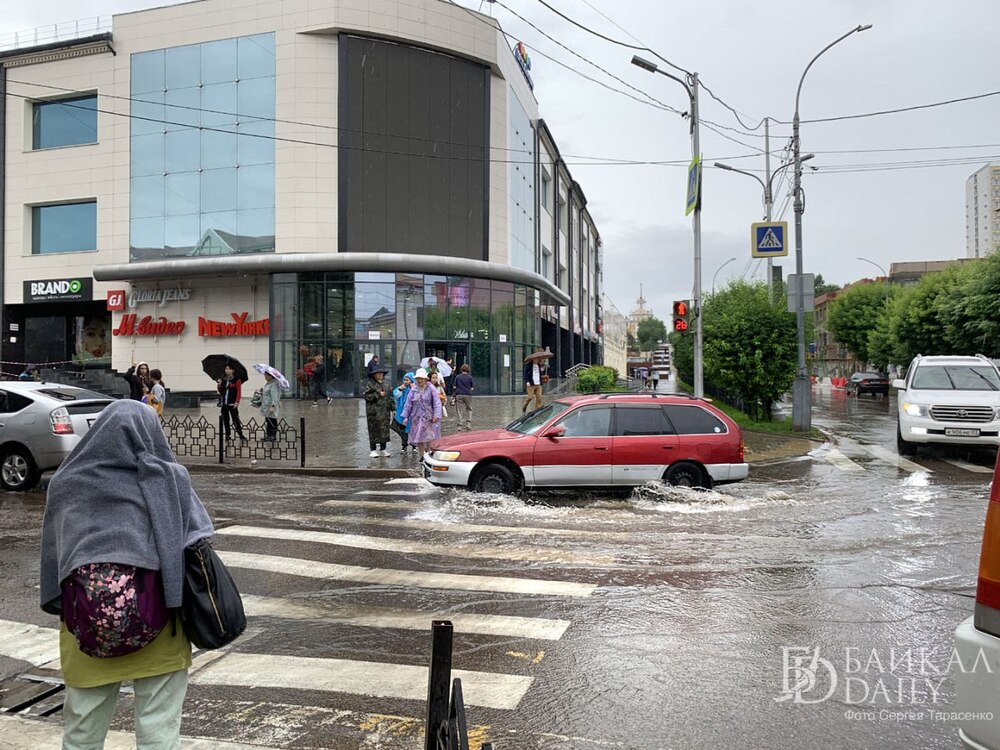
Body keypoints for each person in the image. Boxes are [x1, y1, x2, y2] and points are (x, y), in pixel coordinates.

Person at [39, 399, 214, 750]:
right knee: (159, 735)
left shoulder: (66, 482)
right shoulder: (168, 478)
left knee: (81, 737)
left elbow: (53, 560)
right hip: (162, 624)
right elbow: (197, 539)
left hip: (87, 630)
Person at [401, 368, 442, 460]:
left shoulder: (431, 388)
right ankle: (421, 456)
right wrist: (406, 416)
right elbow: (408, 404)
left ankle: (429, 454)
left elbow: (437, 403)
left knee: (429, 436)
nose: (419, 380)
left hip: (429, 417)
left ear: (425, 379)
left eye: (421, 378)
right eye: (418, 379)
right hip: (416, 416)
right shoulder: (413, 389)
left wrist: (436, 415)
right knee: (419, 436)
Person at [363, 364, 393, 458]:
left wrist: (393, 409)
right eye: (378, 373)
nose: (380, 375)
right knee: (374, 430)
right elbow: (366, 396)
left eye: (381, 373)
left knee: (384, 430)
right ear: (374, 375)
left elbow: (391, 397)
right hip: (373, 413)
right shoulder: (370, 384)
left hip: (385, 412)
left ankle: (383, 449)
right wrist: (378, 394)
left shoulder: (387, 384)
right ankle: (373, 450)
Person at [217, 364, 246, 442]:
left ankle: (240, 434)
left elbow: (239, 392)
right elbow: (221, 391)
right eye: (226, 369)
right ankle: (227, 435)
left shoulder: (237, 380)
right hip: (224, 404)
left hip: (233, 404)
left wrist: (237, 402)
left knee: (235, 420)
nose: (227, 370)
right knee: (226, 420)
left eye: (229, 369)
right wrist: (219, 385)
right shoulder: (223, 379)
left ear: (233, 370)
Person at [392, 372, 415, 454]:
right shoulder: (401, 388)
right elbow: (395, 396)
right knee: (403, 430)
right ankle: (404, 446)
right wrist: (400, 389)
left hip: (412, 413)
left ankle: (414, 446)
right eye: (404, 380)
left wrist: (414, 389)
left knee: (413, 430)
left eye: (407, 380)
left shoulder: (415, 388)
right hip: (402, 412)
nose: (405, 382)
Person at [522, 347, 547, 413]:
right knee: (530, 397)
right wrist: (527, 381)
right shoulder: (528, 365)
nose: (536, 360)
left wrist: (543, 370)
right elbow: (525, 373)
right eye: (535, 359)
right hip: (531, 383)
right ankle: (525, 405)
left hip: (538, 383)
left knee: (539, 397)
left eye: (537, 359)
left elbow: (540, 373)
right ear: (533, 359)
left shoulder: (539, 365)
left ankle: (537, 409)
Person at [260, 371, 281, 442]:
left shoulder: (274, 384)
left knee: (272, 420)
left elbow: (274, 397)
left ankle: (273, 435)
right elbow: (267, 393)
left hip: (271, 406)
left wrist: (272, 406)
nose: (265, 376)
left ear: (270, 376)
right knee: (268, 420)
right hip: (266, 406)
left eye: (266, 375)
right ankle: (268, 435)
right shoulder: (269, 383)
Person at [452, 363, 475, 431]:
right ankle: (468, 424)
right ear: (468, 370)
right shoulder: (470, 377)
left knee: (459, 410)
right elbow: (472, 388)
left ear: (461, 369)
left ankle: (460, 425)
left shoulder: (458, 377)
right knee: (469, 409)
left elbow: (454, 386)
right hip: (467, 394)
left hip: (459, 394)